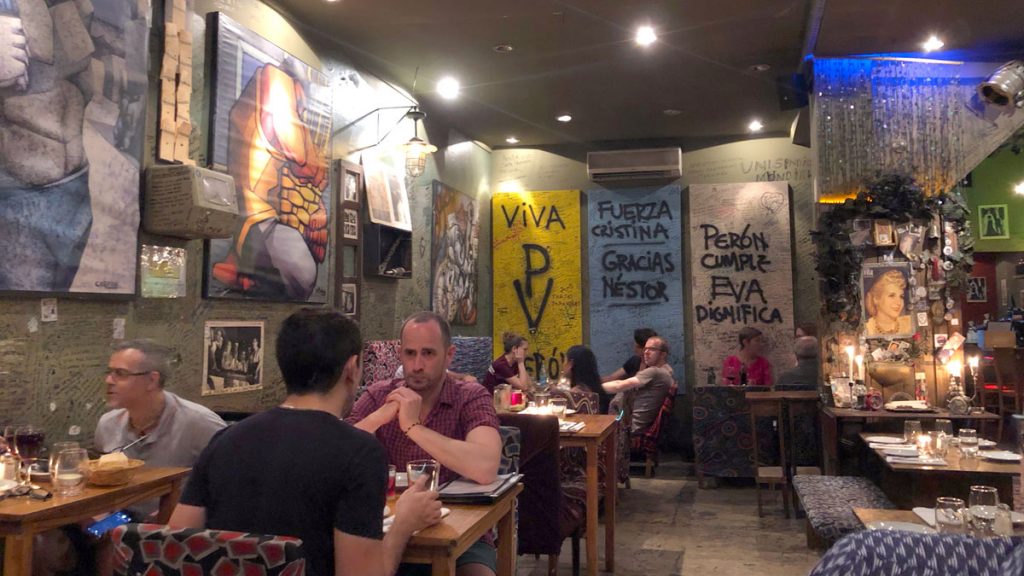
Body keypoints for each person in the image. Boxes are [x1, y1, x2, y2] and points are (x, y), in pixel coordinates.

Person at [170, 309, 442, 576]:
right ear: (351, 369)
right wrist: (403, 524)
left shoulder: (224, 441)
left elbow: (175, 547)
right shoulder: (360, 453)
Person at [349, 311, 502, 576]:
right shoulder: (380, 396)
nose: (417, 365)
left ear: (449, 355)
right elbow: (336, 454)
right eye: (410, 354)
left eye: (428, 354)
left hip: (461, 534)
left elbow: (485, 465)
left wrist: (412, 426)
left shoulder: (470, 396)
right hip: (384, 531)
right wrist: (376, 419)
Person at [95, 339, 226, 518]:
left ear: (152, 380)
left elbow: (228, 488)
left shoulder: (201, 424)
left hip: (174, 524)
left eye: (120, 373)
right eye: (109, 372)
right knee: (76, 532)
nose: (109, 380)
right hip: (121, 518)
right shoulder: (108, 424)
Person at [603, 336, 674, 436]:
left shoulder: (654, 372)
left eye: (652, 349)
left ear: (663, 354)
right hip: (640, 426)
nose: (646, 352)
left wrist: (595, 388)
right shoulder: (667, 371)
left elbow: (619, 385)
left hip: (630, 428)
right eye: (645, 349)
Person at [600, 328, 657, 413]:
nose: (634, 349)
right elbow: (612, 377)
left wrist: (598, 387)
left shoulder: (654, 369)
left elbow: (619, 385)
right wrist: (591, 381)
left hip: (643, 409)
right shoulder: (634, 361)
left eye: (638, 347)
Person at [864, 269, 912, 336]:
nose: (898, 302)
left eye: (901, 296)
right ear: (876, 299)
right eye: (891, 296)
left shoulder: (909, 323)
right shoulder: (866, 328)